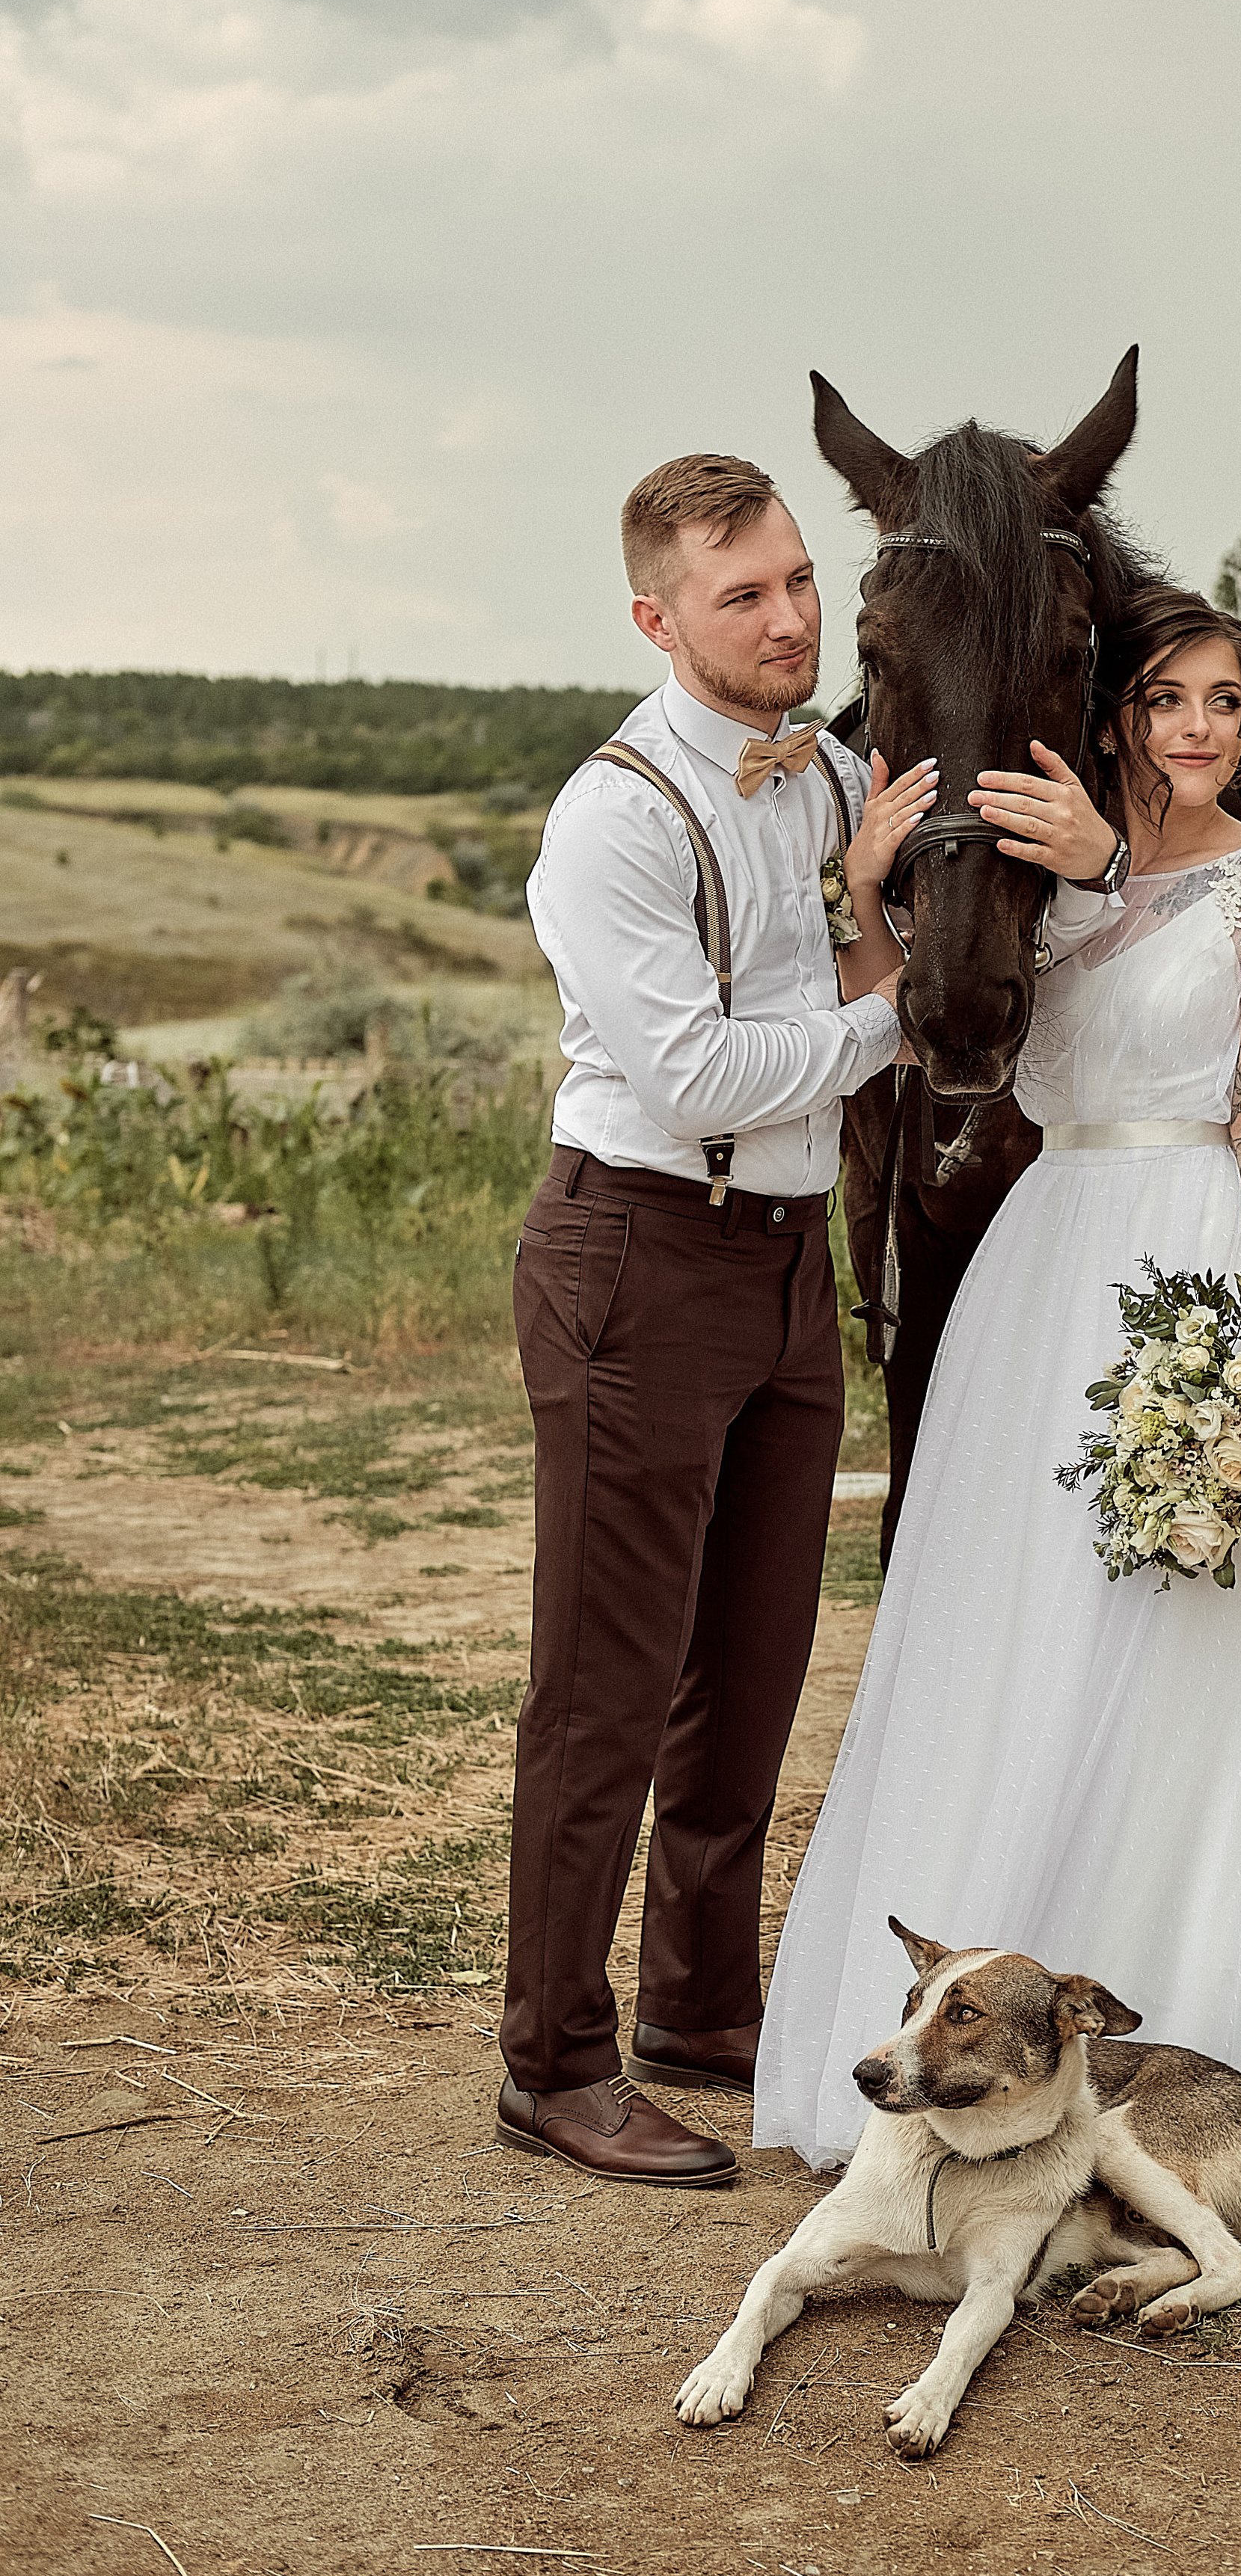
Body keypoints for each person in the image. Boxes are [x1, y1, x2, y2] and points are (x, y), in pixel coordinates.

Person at [755, 582, 1241, 2173]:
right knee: (1003, 1616)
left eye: (1224, 700)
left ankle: (1169, 2024)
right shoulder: (1051, 882)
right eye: (1165, 699)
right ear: (1113, 718)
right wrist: (871, 893)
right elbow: (914, 1032)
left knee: (1173, 1639)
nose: (1196, 727)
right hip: (1039, 1276)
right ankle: (965, 2006)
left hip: (1182, 1258)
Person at [496, 452, 921, 2188]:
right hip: (638, 1255)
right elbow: (696, 1076)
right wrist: (892, 1011)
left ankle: (695, 2004)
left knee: (746, 1672)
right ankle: (551, 2064)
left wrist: (879, 895)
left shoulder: (819, 773)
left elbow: (829, 963)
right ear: (655, 619)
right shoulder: (612, 818)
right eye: (742, 596)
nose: (788, 619)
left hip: (782, 1264)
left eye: (798, 581)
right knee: (603, 1689)